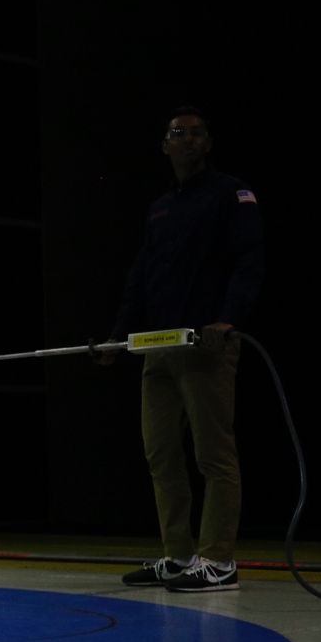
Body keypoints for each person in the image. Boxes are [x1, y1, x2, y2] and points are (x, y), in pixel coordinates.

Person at [104, 106, 265, 592]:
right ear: (165, 145)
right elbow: (141, 276)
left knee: (213, 454)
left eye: (197, 134)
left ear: (208, 143)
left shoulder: (231, 195)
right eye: (178, 134)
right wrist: (118, 334)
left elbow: (249, 259)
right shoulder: (160, 207)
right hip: (160, 347)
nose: (188, 140)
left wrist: (229, 317)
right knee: (161, 454)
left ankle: (219, 560)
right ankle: (178, 556)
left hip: (206, 343)